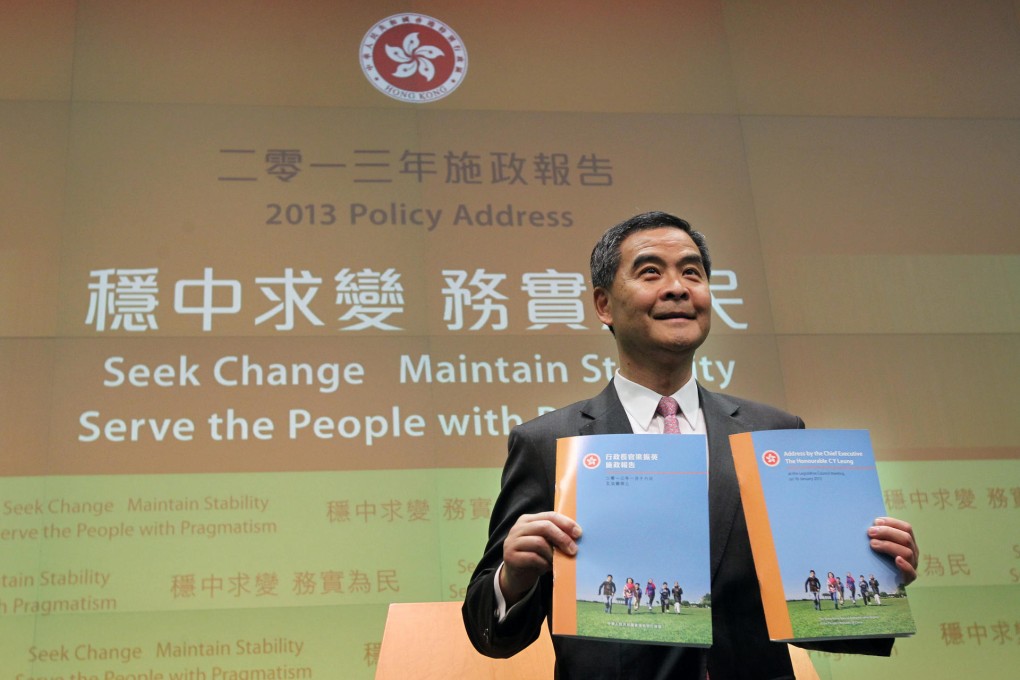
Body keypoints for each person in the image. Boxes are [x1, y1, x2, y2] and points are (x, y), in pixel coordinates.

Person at [462, 212, 919, 679]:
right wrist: (512, 579)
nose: (678, 287)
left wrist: (877, 571)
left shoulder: (772, 433)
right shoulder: (548, 443)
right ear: (604, 305)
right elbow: (489, 631)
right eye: (650, 272)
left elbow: (815, 609)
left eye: (692, 272)